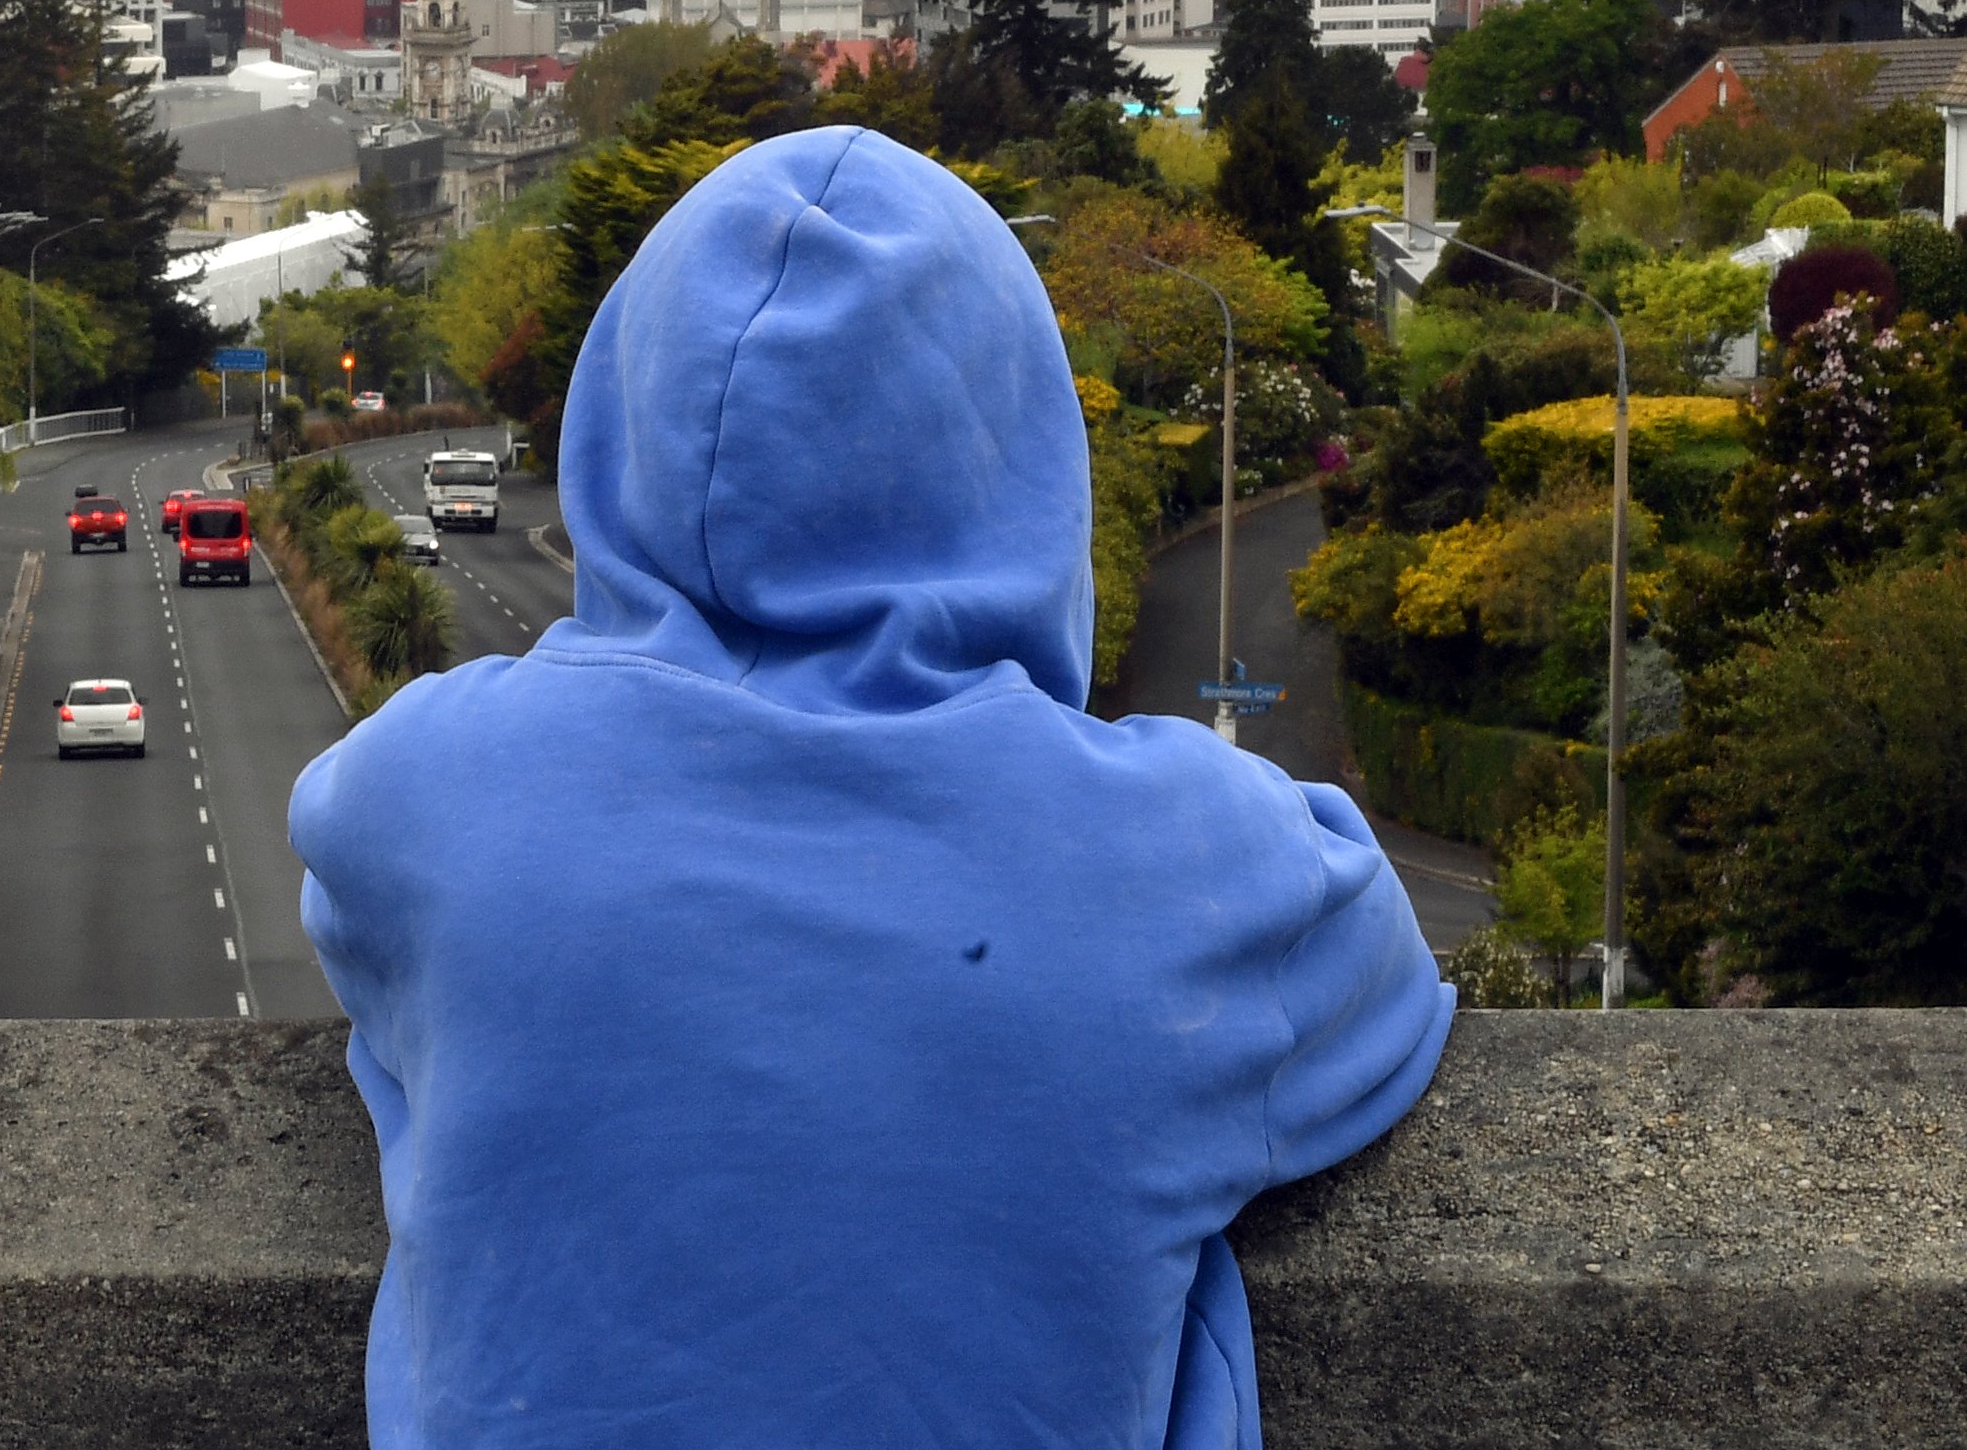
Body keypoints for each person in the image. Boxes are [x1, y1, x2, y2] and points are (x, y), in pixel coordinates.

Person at [292, 126, 1449, 1448]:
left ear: (625, 422)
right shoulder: (1189, 865)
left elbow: (377, 959)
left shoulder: (428, 794)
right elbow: (1386, 985)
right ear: (1019, 456)